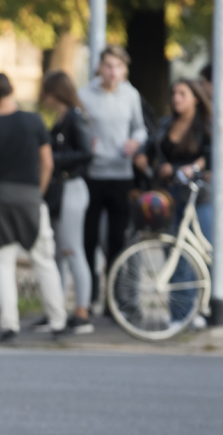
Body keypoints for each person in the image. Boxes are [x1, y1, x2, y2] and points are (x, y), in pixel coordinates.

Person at [0, 73, 69, 344]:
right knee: (44, 260)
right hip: (29, 196)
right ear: (12, 90)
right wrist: (37, 192)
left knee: (3, 262)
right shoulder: (34, 121)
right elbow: (47, 163)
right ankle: (58, 320)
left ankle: (9, 324)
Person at [134, 78, 214, 327]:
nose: (176, 98)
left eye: (182, 93)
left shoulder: (206, 125)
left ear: (196, 97)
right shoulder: (166, 123)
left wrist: (189, 168)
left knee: (203, 252)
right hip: (169, 194)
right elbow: (152, 148)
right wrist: (141, 156)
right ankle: (180, 312)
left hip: (197, 196)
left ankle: (203, 308)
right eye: (174, 93)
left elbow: (210, 156)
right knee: (174, 251)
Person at [78, 46, 147, 313]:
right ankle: (89, 297)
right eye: (108, 66)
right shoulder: (85, 95)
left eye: (118, 66)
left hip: (120, 174)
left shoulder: (131, 95)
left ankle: (114, 300)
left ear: (125, 69)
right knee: (89, 239)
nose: (112, 72)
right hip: (92, 174)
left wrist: (135, 141)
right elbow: (78, 126)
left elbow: (140, 128)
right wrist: (87, 142)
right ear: (100, 67)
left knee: (118, 240)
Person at [39, 71, 96, 334]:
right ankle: (57, 308)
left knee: (73, 250)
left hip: (72, 187)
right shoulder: (63, 118)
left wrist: (54, 158)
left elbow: (85, 152)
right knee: (60, 251)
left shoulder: (74, 117)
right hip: (62, 189)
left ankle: (82, 310)